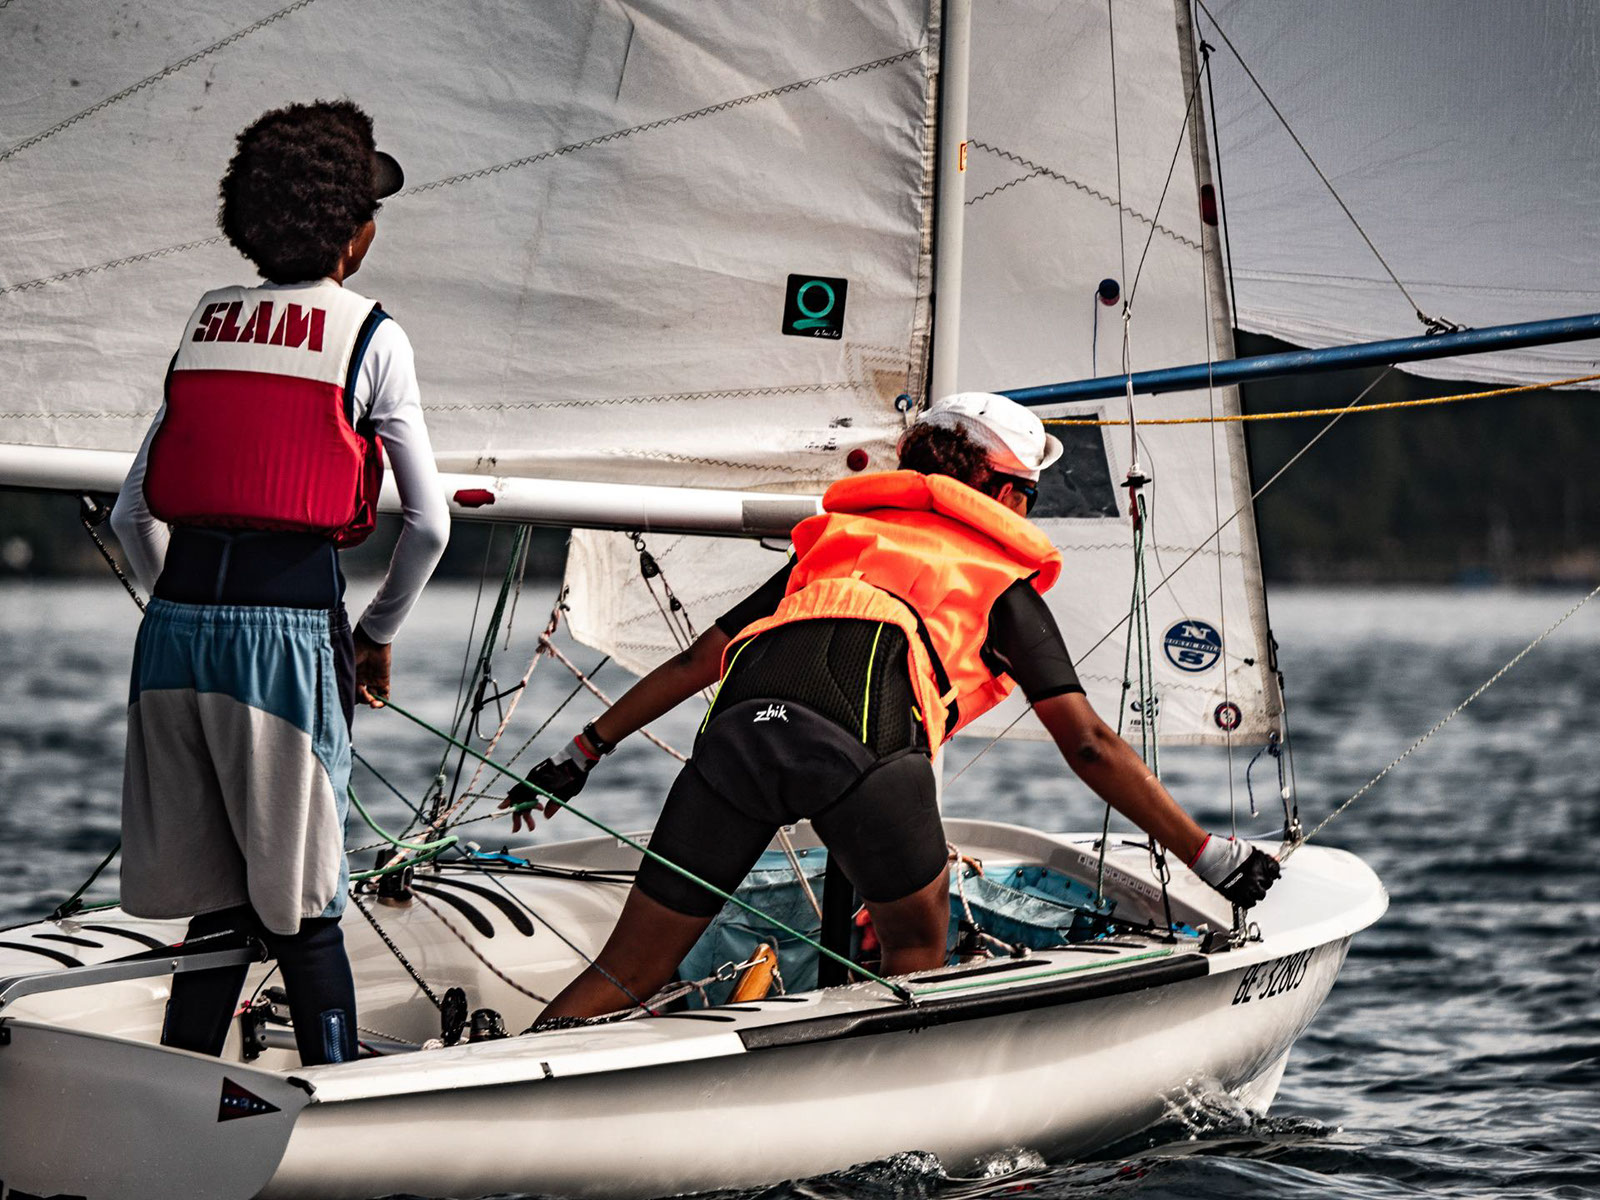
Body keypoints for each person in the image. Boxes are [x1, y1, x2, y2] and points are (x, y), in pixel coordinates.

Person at [508, 392, 1278, 1022]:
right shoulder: (998, 581)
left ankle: (508, 1084)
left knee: (626, 970)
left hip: (737, 736)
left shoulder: (834, 546)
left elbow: (696, 661)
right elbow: (1088, 745)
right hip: (865, 753)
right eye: (1032, 498)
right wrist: (1205, 854)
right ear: (1006, 494)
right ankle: (881, 1102)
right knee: (914, 949)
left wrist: (582, 752)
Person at [110, 100, 449, 1065]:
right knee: (303, 903)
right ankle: (334, 1098)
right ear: (357, 235)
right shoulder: (372, 334)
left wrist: (177, 608)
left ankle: (179, 1088)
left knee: (215, 902)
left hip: (173, 631)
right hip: (287, 631)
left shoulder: (206, 323)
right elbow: (429, 524)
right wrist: (372, 635)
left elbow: (133, 514)